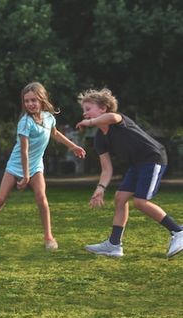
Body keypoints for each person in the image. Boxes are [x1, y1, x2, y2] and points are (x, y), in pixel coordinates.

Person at [0, 82, 86, 250]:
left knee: (42, 198)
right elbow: (23, 152)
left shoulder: (49, 117)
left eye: (33, 100)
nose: (30, 104)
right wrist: (25, 176)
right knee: (0, 200)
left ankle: (49, 237)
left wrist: (73, 146)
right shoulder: (25, 122)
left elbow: (55, 134)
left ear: (42, 100)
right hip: (16, 165)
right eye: (26, 101)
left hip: (35, 166)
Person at [75, 88, 183, 258]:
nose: (85, 114)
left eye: (88, 109)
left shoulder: (117, 119)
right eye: (84, 111)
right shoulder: (99, 139)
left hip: (153, 158)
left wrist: (88, 123)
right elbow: (107, 168)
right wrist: (101, 188)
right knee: (120, 198)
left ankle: (178, 232)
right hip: (137, 164)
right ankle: (114, 245)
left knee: (140, 202)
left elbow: (112, 117)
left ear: (103, 108)